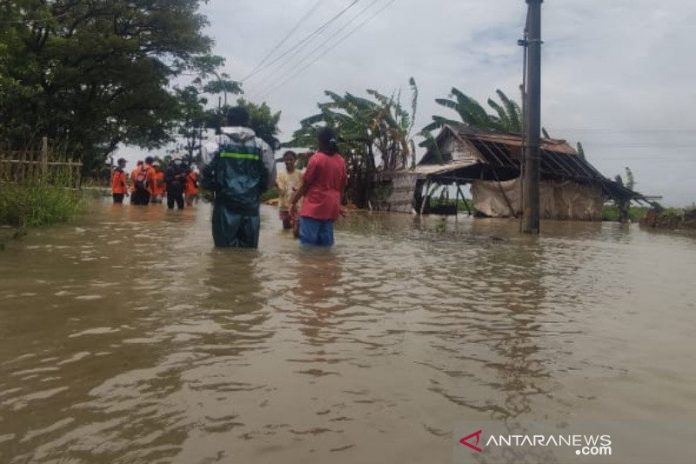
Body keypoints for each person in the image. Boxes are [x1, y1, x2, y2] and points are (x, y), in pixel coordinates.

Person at [201, 106, 276, 248]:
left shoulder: (217, 142)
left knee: (223, 250)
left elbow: (204, 166)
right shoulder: (261, 145)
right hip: (251, 204)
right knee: (249, 251)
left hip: (225, 201)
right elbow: (271, 173)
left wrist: (210, 185)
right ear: (247, 122)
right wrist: (260, 189)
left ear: (228, 120)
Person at [289, 127, 347, 247]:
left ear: (320, 141)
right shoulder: (341, 161)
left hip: (313, 208)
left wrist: (292, 202)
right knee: (326, 248)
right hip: (331, 209)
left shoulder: (316, 159)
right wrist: (339, 206)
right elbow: (341, 187)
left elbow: (305, 185)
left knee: (307, 248)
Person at [275, 150, 303, 232]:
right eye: (286, 160)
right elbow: (282, 192)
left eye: (291, 159)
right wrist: (276, 185)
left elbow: (302, 189)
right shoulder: (280, 174)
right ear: (284, 161)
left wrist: (297, 190)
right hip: (284, 206)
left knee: (297, 230)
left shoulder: (300, 174)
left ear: (295, 160)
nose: (289, 162)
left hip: (297, 206)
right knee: (286, 230)